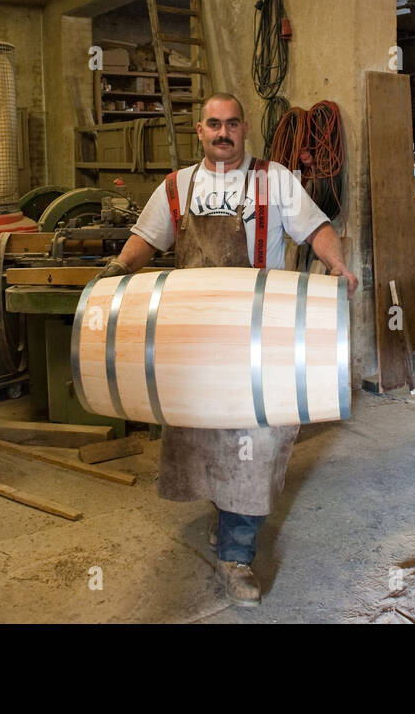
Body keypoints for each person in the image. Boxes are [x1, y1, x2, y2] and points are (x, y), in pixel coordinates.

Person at [99, 92, 357, 606]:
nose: (223, 133)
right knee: (203, 438)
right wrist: (114, 272)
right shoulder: (177, 187)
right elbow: (145, 239)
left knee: (258, 441)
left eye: (232, 124)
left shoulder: (275, 180)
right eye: (213, 124)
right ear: (200, 131)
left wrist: (336, 266)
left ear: (244, 129)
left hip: (259, 336)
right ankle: (226, 517)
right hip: (194, 337)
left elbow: (317, 227)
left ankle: (238, 553)